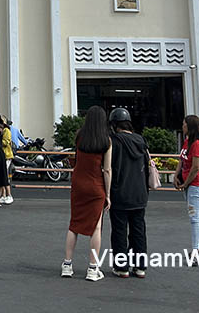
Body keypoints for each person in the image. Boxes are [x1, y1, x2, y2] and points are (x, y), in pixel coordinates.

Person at [62, 106, 112, 281]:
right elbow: (107, 169)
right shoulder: (106, 140)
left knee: (74, 224)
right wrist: (108, 194)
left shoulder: (79, 136)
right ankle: (93, 268)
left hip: (78, 183)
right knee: (96, 227)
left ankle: (67, 265)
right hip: (95, 185)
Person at [107, 108, 151, 278]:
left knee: (119, 230)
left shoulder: (113, 141)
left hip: (120, 193)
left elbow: (109, 167)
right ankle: (140, 267)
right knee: (138, 230)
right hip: (140, 194)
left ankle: (121, 267)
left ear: (114, 125)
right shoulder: (141, 140)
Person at [174, 114, 199, 262]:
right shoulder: (187, 142)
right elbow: (182, 160)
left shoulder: (197, 145)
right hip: (190, 184)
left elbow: (196, 167)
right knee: (198, 216)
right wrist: (176, 175)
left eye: (184, 124)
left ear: (190, 127)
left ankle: (195, 251)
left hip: (197, 184)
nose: (182, 127)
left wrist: (186, 183)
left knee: (194, 218)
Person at [0, 114, 14, 204]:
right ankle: (3, 195)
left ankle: (9, 195)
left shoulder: (6, 131)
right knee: (2, 176)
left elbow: (6, 142)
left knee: (5, 176)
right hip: (2, 156)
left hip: (6, 156)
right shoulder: (2, 131)